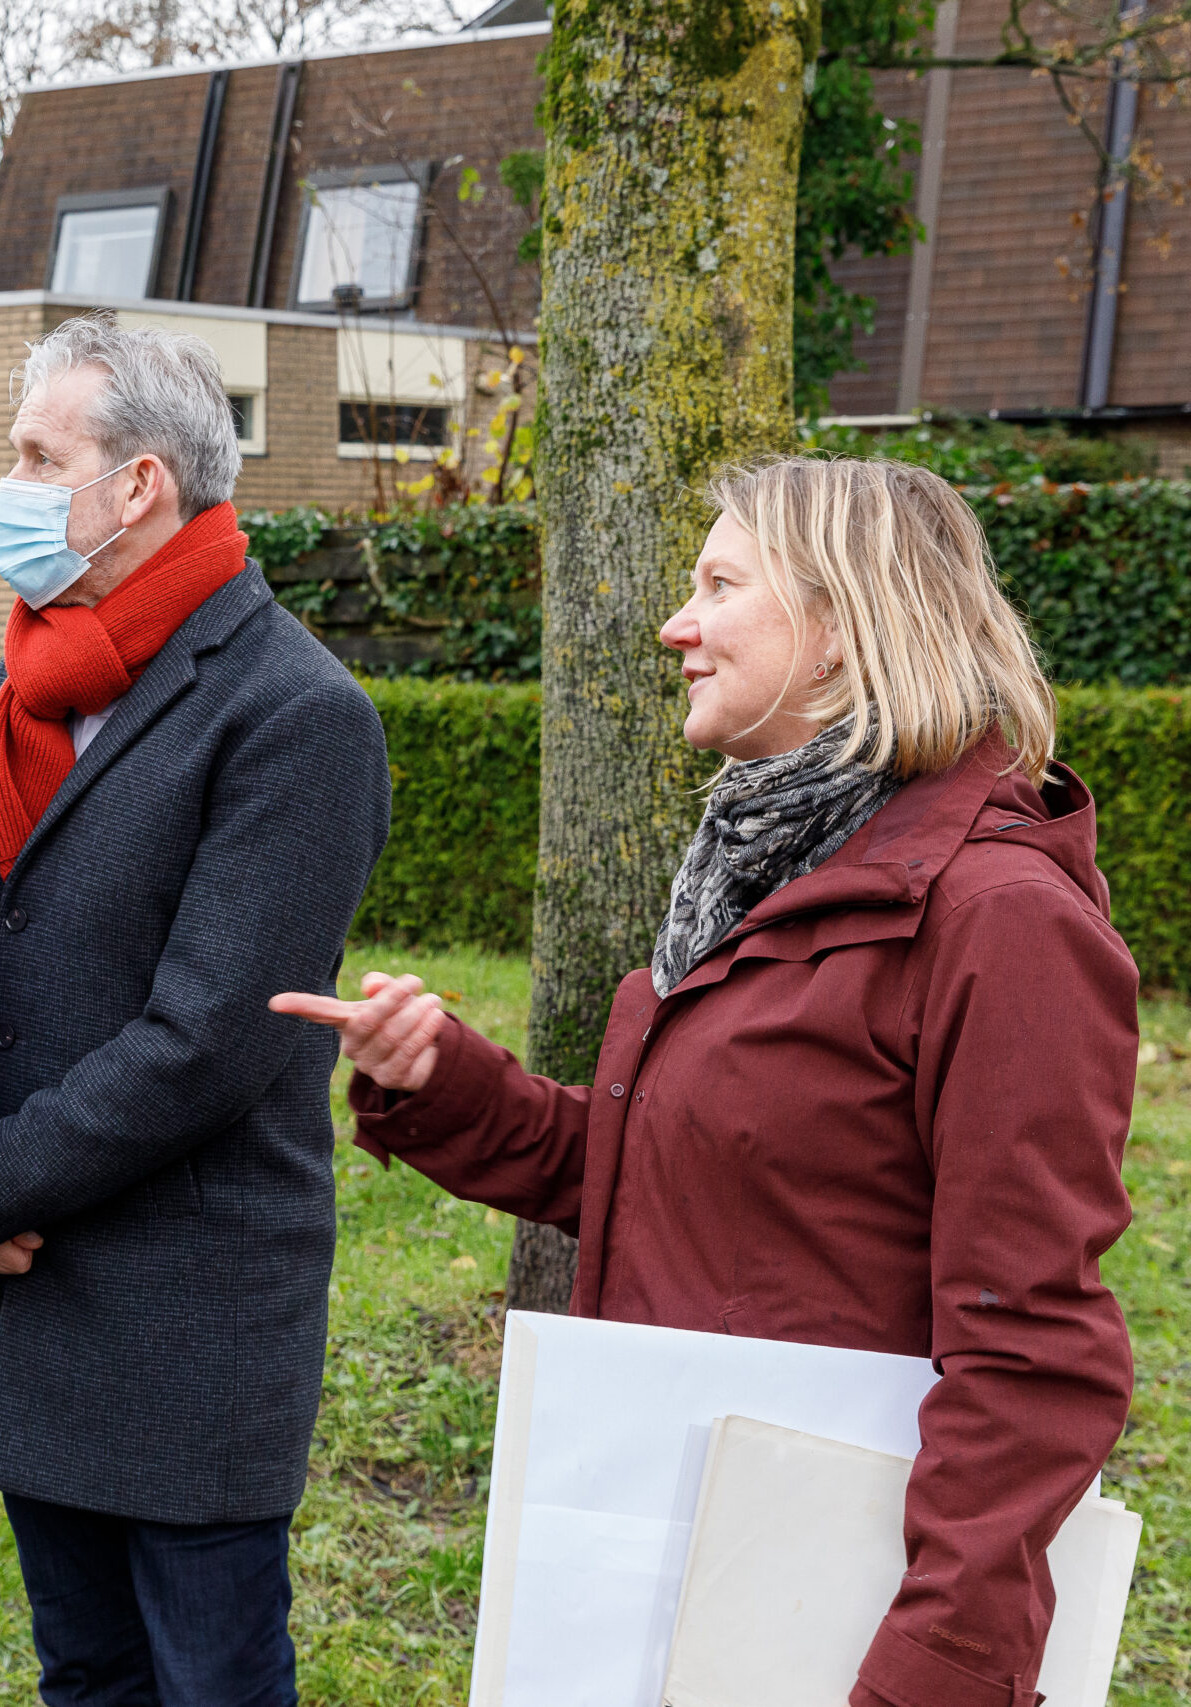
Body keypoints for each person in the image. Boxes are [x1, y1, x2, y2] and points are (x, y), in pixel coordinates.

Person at [275, 455, 1135, 1707]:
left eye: (719, 585)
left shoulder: (999, 919)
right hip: (664, 1544)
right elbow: (674, 1179)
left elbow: (1036, 1347)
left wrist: (935, 1668)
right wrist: (444, 1080)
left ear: (840, 629)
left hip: (831, 1600)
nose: (676, 625)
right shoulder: (758, 869)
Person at [0, 315, 391, 1706]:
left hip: (185, 1323)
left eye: (40, 456)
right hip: (33, 1290)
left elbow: (213, 1039)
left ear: (141, 485)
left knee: (210, 1682)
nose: (15, 483)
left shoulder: (297, 714)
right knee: (86, 1676)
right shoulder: (35, 679)